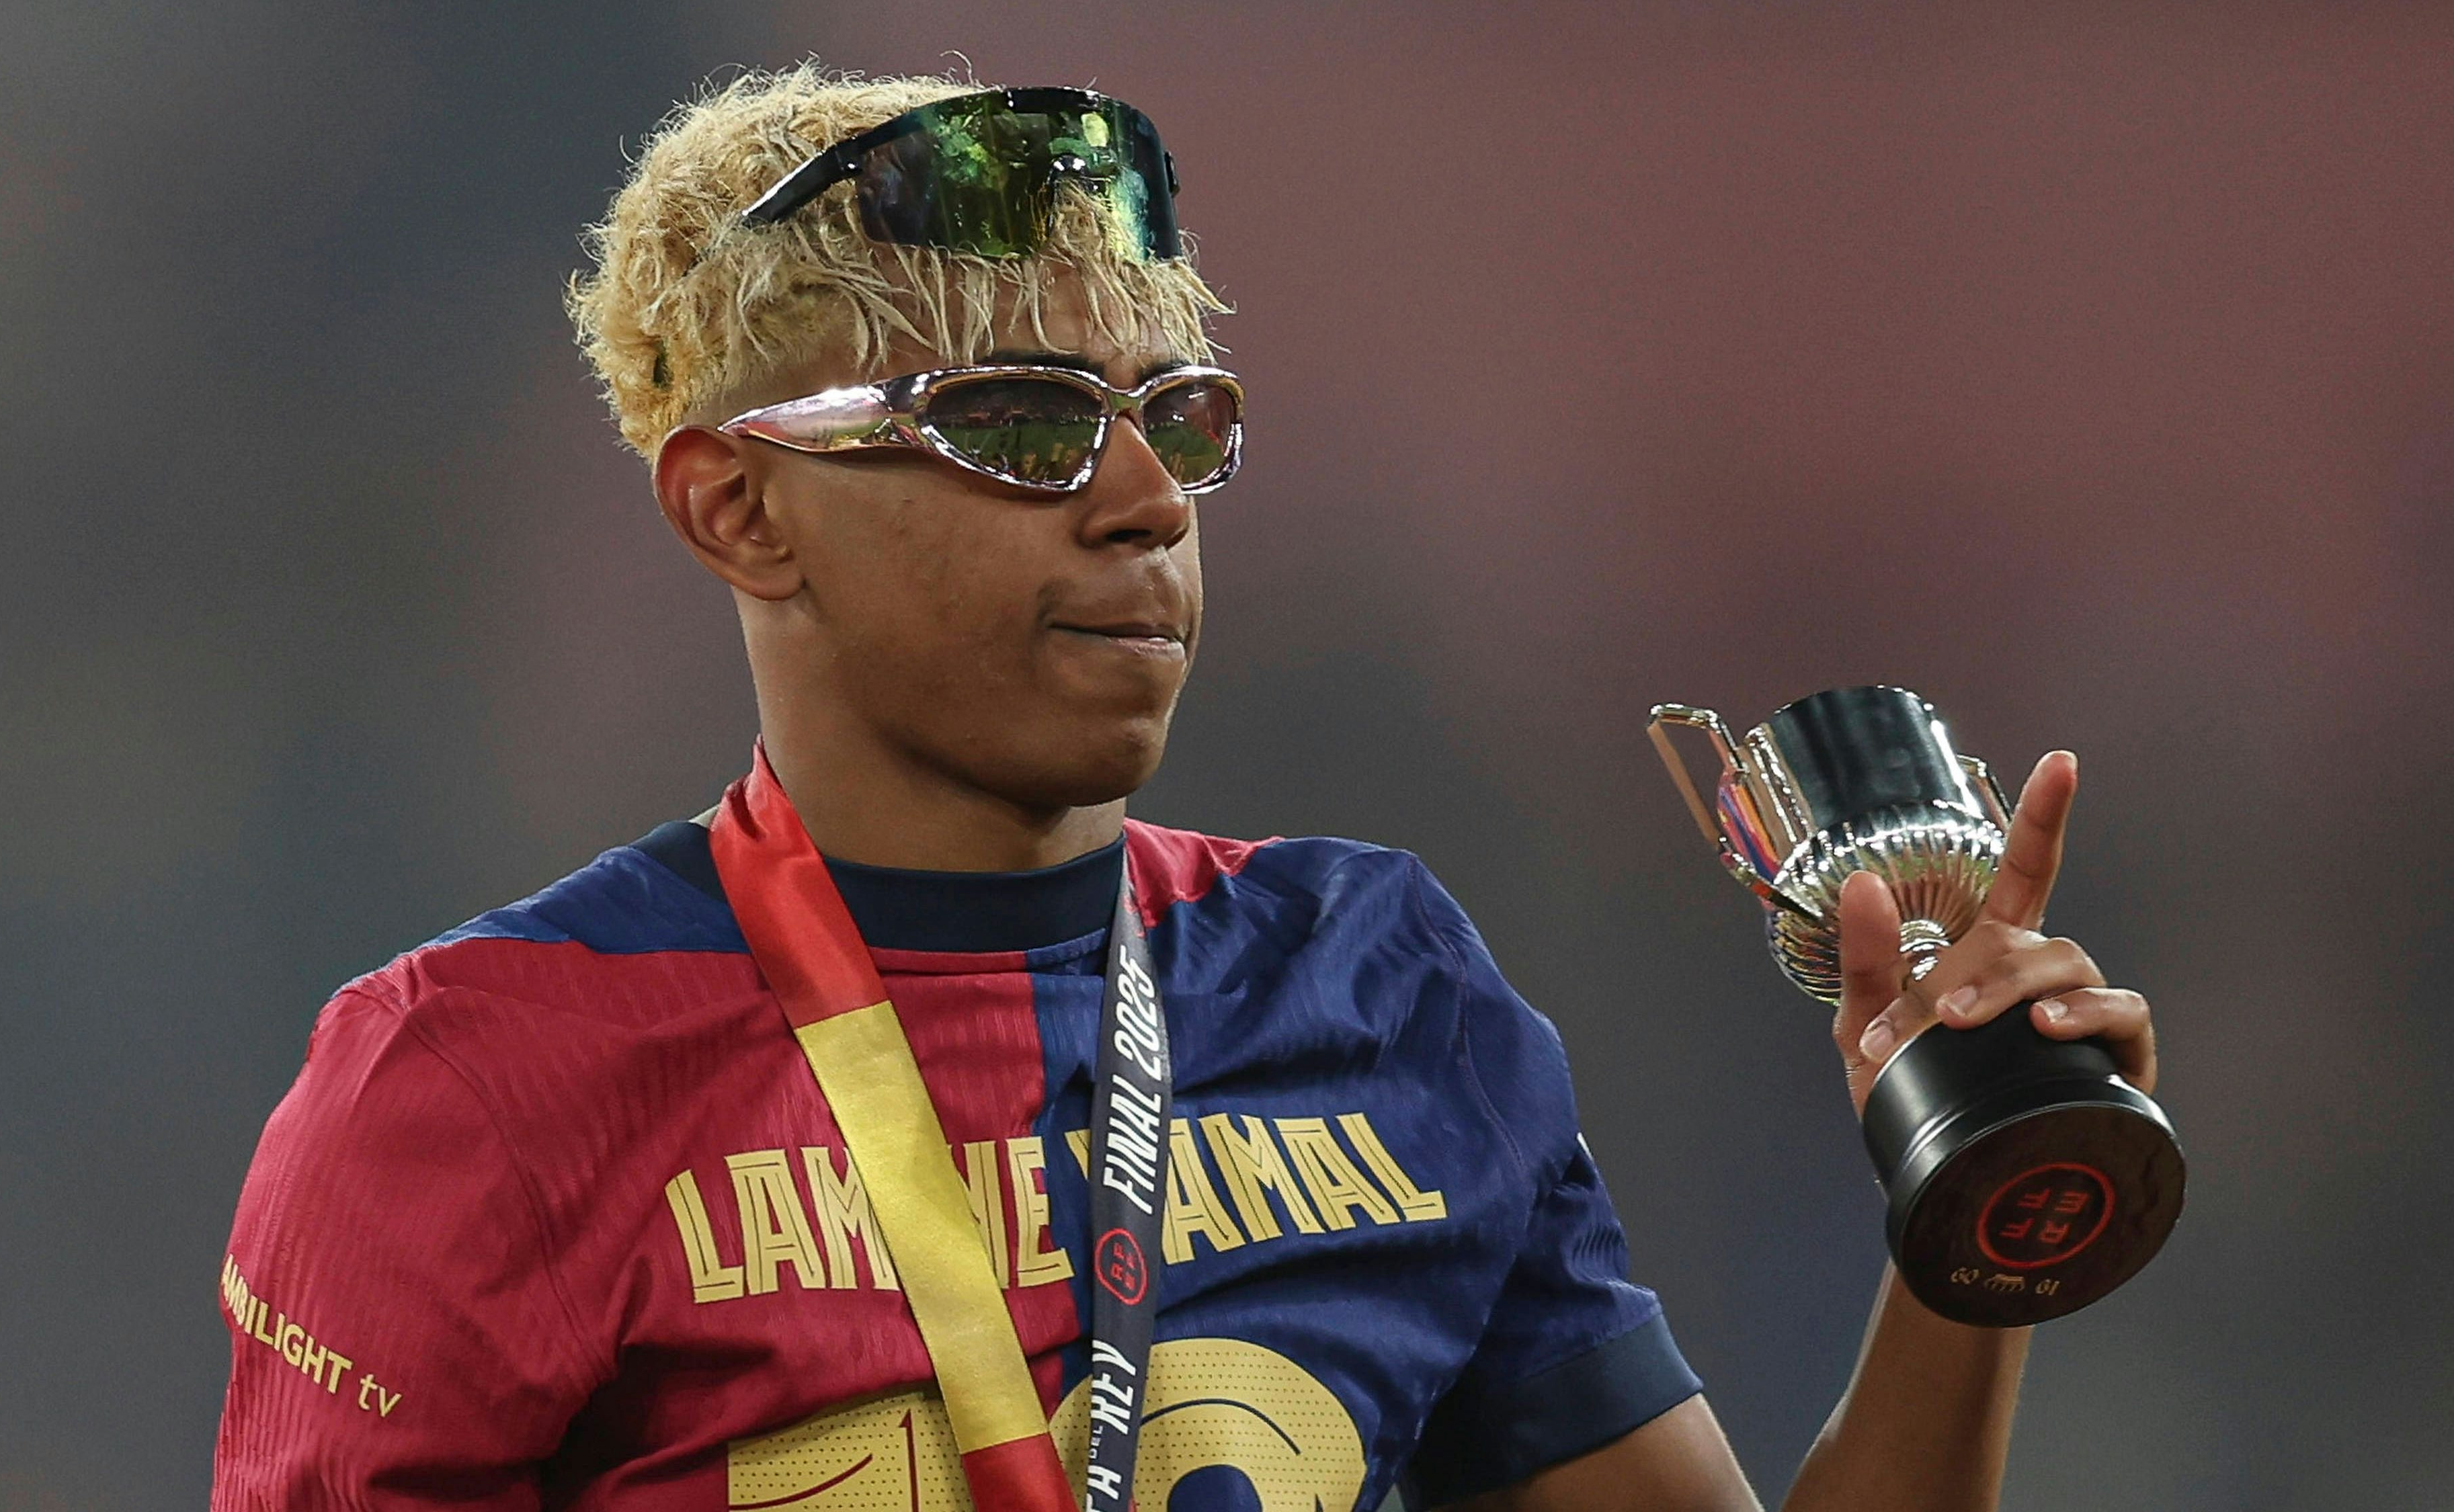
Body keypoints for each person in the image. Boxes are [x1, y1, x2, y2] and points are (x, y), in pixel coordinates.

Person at [210, 67, 2160, 1512]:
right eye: (1026, 425)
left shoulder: (1379, 979)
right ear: (742, 507)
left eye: (1179, 419)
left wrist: (1972, 1227)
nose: (1145, 499)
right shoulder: (463, 1085)